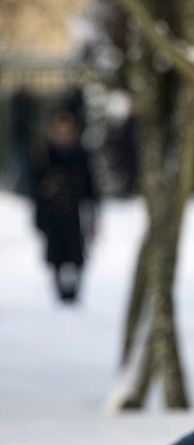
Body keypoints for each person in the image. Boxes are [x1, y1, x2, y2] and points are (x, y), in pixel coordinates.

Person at [31, 110, 99, 302]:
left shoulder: (81, 155)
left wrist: (92, 216)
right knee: (55, 255)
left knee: (76, 254)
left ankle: (75, 292)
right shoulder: (45, 156)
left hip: (74, 213)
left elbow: (90, 189)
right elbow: (37, 190)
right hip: (53, 215)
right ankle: (59, 293)